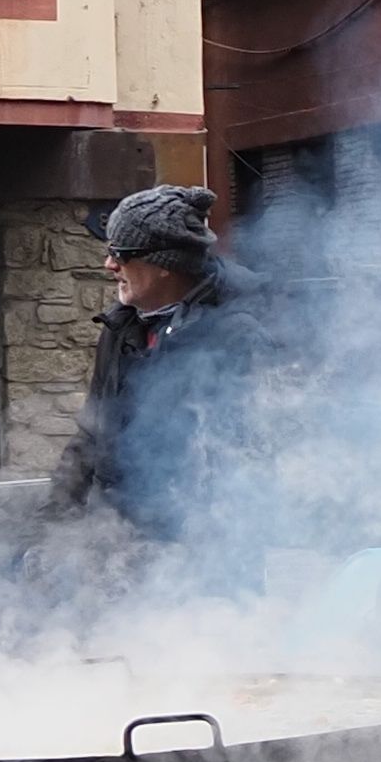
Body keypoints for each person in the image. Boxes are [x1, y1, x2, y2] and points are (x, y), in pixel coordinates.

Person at [55, 181, 272, 541]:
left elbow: (242, 463)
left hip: (194, 550)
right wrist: (48, 527)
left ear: (164, 264)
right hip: (114, 537)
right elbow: (91, 435)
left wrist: (190, 555)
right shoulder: (121, 326)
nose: (109, 264)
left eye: (121, 253)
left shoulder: (237, 335)